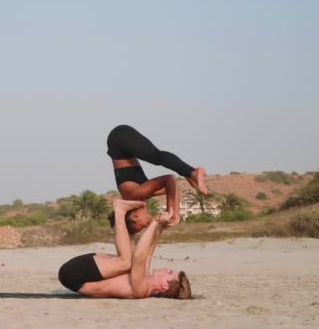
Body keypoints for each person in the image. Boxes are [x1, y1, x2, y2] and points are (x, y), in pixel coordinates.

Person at [58, 199, 191, 299]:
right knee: (130, 260)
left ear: (164, 286)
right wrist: (161, 227)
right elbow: (148, 253)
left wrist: (155, 222)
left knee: (128, 261)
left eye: (170, 273)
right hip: (85, 270)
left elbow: (139, 257)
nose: (167, 269)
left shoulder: (141, 290)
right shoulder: (144, 278)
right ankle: (124, 220)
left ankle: (120, 211)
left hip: (74, 276)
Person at [106, 124, 208, 233]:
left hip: (119, 137)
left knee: (156, 157)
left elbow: (169, 179)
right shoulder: (140, 196)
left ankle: (192, 172)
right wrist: (172, 213)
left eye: (140, 227)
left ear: (135, 217)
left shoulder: (134, 194)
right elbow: (172, 186)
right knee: (156, 157)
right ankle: (189, 173)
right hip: (119, 141)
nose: (145, 226)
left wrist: (171, 213)